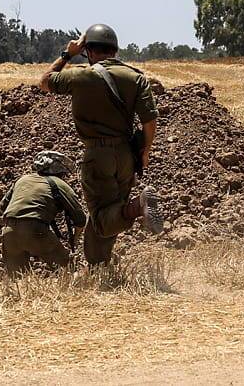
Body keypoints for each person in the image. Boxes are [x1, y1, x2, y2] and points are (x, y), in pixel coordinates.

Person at [39, 23, 162, 266]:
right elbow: (150, 119)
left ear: (90, 51)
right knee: (109, 213)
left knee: (100, 216)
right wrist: (145, 150)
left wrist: (68, 53)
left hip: (97, 154)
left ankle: (139, 206)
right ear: (115, 50)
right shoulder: (136, 77)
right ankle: (98, 265)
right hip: (127, 155)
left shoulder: (82, 75)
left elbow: (44, 81)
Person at [0, 151, 87, 275]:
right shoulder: (59, 184)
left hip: (9, 231)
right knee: (67, 269)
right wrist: (75, 238)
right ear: (59, 170)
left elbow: (3, 206)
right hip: (35, 229)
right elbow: (80, 219)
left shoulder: (23, 180)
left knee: (17, 278)